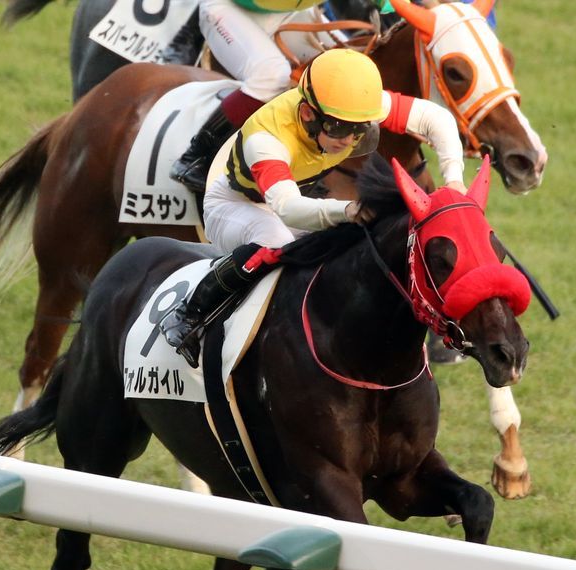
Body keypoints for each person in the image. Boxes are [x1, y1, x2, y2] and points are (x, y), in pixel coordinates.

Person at [159, 47, 467, 367]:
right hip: (235, 204)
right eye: (339, 129)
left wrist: (454, 180)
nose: (349, 140)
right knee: (277, 241)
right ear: (307, 114)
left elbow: (436, 118)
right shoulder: (267, 138)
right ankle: (190, 313)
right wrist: (346, 211)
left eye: (360, 129)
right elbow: (287, 207)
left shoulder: (348, 106)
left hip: (293, 197)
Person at [170, 0, 336, 192]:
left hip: (288, 12)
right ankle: (195, 157)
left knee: (347, 64)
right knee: (272, 76)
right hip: (229, 6)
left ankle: (311, 165)